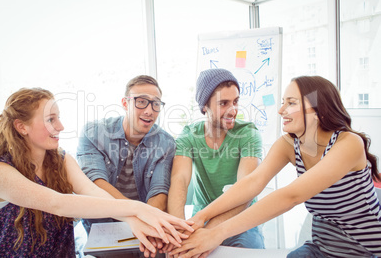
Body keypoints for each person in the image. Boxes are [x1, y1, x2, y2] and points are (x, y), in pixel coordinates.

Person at [169, 75, 381, 258]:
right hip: (322, 249)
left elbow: (291, 196)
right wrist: (201, 217)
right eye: (282, 102)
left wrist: (216, 233)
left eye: (291, 103)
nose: (281, 110)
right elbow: (252, 182)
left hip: (367, 249)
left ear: (318, 110)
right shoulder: (288, 144)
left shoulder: (349, 143)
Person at [0, 88, 193, 257]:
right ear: (22, 127)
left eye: (59, 117)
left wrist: (133, 220)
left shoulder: (61, 160)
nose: (61, 126)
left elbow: (92, 191)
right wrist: (137, 208)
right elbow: (58, 203)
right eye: (50, 119)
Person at [166, 68, 265, 255]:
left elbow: (247, 192)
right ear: (205, 106)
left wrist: (208, 233)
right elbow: (179, 180)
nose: (232, 110)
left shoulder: (248, 133)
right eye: (223, 103)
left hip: (240, 219)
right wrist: (177, 233)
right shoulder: (189, 135)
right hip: (199, 220)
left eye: (235, 101)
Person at [76, 75, 175, 256]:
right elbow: (96, 183)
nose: (149, 110)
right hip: (104, 226)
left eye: (156, 104)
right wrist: (136, 215)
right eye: (142, 102)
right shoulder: (93, 133)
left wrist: (147, 224)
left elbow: (159, 191)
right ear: (125, 103)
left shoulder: (165, 142)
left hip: (147, 221)